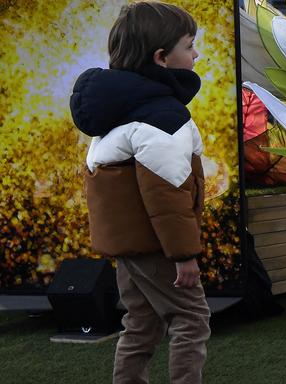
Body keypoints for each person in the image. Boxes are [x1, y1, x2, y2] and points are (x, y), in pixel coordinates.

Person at [69, 2, 211, 383]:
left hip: (130, 248)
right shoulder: (162, 116)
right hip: (158, 247)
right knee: (192, 319)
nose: (195, 53)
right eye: (189, 45)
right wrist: (183, 255)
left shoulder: (119, 112)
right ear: (162, 57)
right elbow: (166, 195)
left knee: (142, 325)